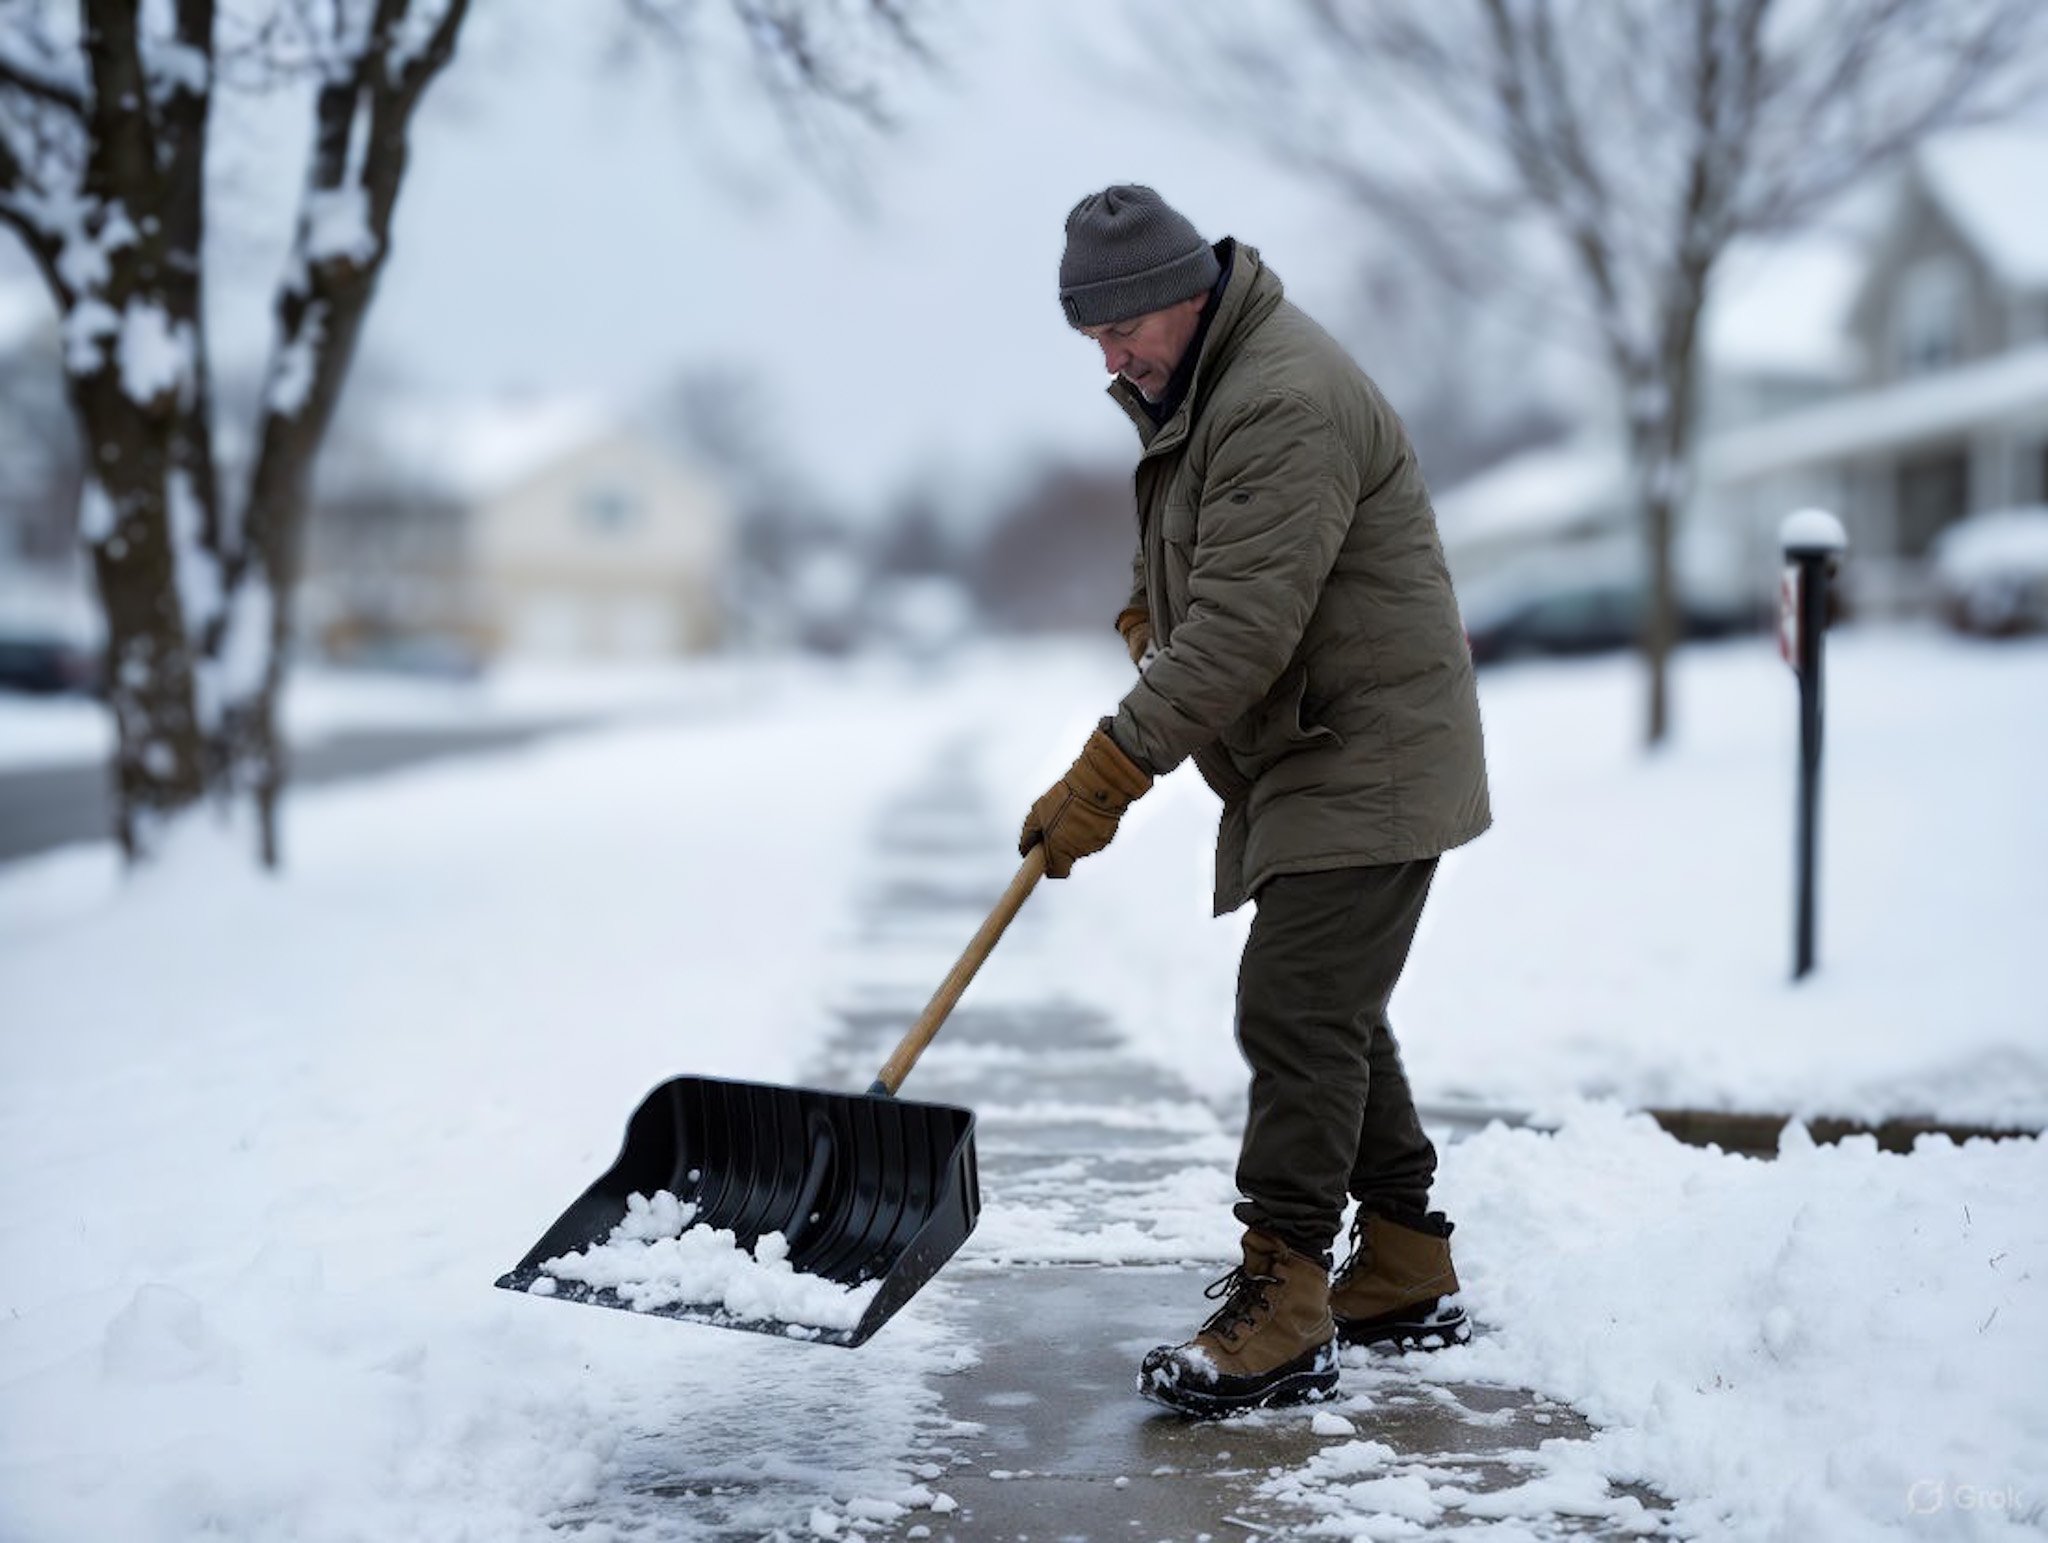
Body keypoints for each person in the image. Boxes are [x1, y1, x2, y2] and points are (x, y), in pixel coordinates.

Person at [1018, 185, 1492, 1418]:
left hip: (1366, 745)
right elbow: (1199, 569)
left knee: (1294, 1004)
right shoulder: (1206, 390)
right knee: (1327, 1006)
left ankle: (1283, 1300)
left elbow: (1239, 629)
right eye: (1092, 339)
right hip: (1312, 744)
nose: (1108, 359)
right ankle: (1402, 1259)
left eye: (1119, 330)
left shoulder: (1278, 395)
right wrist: (1150, 613)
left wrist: (1108, 770)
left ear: (1181, 295)